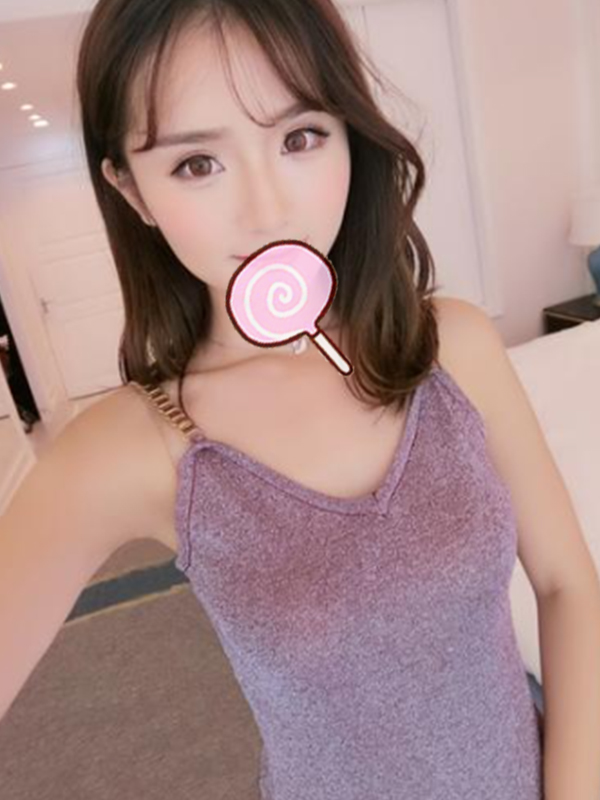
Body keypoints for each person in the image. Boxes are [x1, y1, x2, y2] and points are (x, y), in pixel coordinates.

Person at [0, 0, 544, 797]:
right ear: (131, 190)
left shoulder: (453, 347)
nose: (268, 209)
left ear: (348, 133)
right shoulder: (128, 449)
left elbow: (568, 587)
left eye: (299, 137)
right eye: (196, 163)